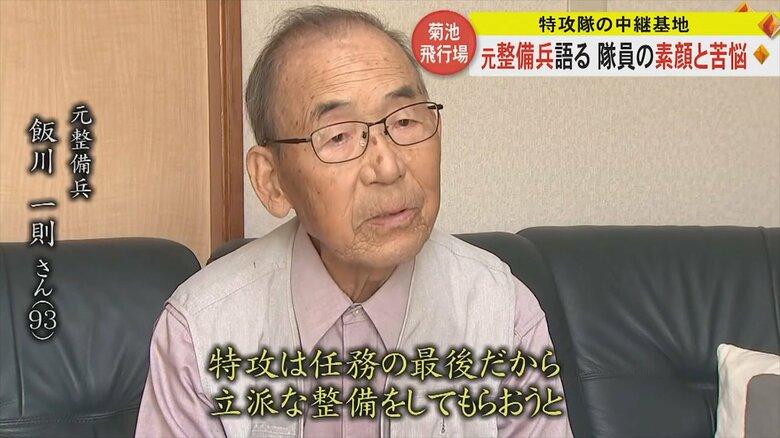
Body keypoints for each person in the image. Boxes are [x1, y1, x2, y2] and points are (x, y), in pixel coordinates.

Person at [135, 5, 572, 437]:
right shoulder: (199, 332)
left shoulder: (502, 314)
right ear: (272, 181)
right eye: (339, 135)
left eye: (405, 120)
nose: (388, 166)